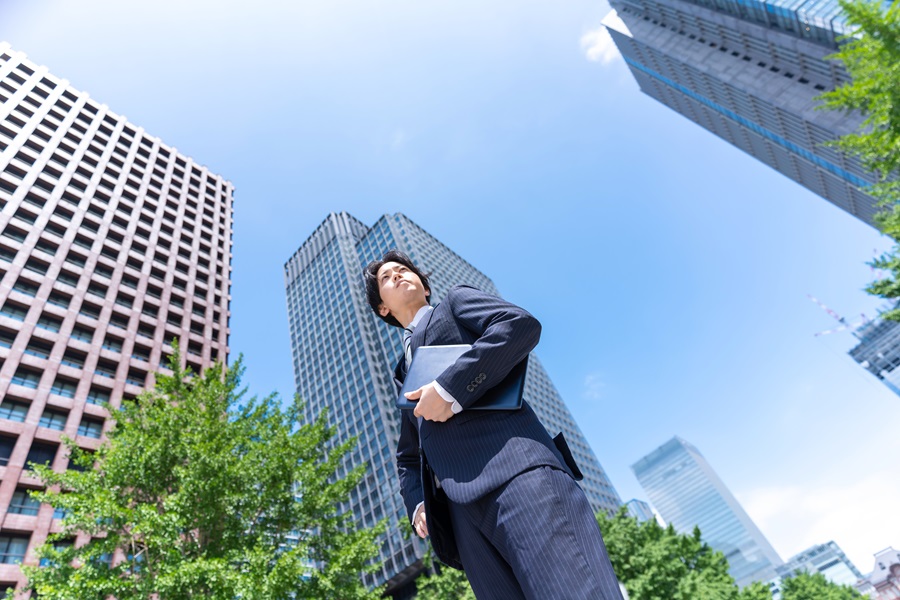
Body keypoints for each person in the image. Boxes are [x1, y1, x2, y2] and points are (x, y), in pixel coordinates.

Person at [363, 249, 624, 600]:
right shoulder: (401, 372)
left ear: (425, 287)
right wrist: (418, 504)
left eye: (404, 269)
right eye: (386, 277)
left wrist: (449, 388)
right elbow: (408, 455)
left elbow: (518, 324)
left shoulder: (453, 304)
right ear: (382, 308)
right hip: (462, 520)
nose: (397, 275)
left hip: (518, 475)